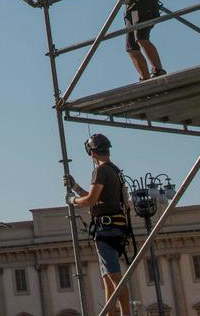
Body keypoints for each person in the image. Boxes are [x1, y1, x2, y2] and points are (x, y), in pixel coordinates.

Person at [65, 133, 133, 316]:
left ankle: (126, 313)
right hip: (116, 229)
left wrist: (73, 200)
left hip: (106, 230)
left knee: (115, 278)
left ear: (91, 153)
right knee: (108, 282)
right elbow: (99, 198)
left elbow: (91, 199)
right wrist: (76, 188)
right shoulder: (115, 170)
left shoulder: (100, 171)